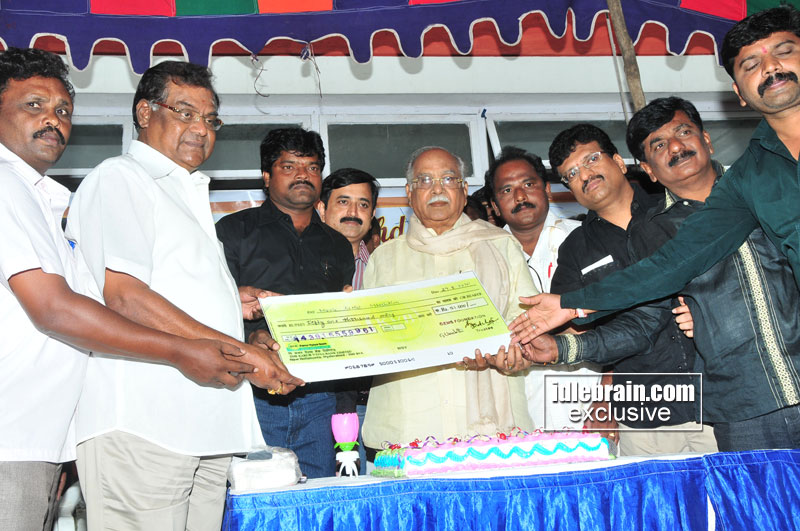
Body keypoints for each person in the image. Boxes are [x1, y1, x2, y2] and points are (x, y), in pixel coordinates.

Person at [0, 49, 260, 531]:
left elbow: (99, 292)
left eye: (63, 110)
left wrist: (231, 303)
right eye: (34, 105)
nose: (53, 119)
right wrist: (228, 351)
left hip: (48, 430)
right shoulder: (115, 178)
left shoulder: (44, 196)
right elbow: (101, 300)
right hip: (122, 420)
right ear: (145, 112)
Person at [66, 61, 301, 530]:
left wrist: (234, 312)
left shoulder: (185, 191)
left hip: (207, 425)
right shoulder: (122, 177)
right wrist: (243, 355)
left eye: (210, 119)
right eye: (185, 112)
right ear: (145, 113)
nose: (201, 128)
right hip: (145, 423)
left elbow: (171, 287)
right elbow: (126, 297)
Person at [511, 6, 800, 348]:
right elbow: (671, 266)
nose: (770, 67)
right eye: (751, 65)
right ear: (739, 92)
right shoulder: (748, 180)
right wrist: (569, 306)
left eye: (784, 51)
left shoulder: (738, 180)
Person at [522, 97, 800, 451]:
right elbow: (644, 319)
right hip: (738, 407)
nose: (675, 147)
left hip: (737, 397)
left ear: (707, 140)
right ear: (649, 169)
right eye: (658, 145)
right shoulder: (651, 231)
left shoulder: (763, 186)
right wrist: (563, 341)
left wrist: (709, 313)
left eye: (683, 132)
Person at [361, 146, 535, 448]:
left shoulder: (501, 246)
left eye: (448, 179)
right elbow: (370, 340)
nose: (438, 189)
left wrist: (511, 353)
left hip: (494, 430)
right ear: (409, 193)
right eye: (425, 180)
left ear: (464, 190)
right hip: (408, 427)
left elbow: (528, 322)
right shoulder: (385, 258)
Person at [547, 126, 707, 454]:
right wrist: (528, 344)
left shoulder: (676, 210)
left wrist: (706, 309)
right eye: (571, 174)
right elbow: (572, 325)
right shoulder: (575, 249)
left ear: (619, 162)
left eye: (591, 159)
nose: (584, 175)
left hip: (718, 401)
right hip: (643, 415)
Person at [216, 128, 355, 478]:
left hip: (319, 397)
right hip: (251, 395)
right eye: (289, 166)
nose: (303, 175)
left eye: (312, 167)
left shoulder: (338, 245)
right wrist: (251, 337)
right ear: (267, 176)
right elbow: (208, 310)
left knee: (317, 499)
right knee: (256, 497)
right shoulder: (232, 232)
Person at [485, 146, 605, 433]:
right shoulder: (483, 255)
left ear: (547, 190)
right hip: (515, 413)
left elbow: (624, 326)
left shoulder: (589, 239)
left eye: (528, 184)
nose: (520, 196)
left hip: (589, 403)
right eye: (507, 190)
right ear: (495, 206)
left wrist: (608, 401)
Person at [318, 167, 381, 473]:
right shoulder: (298, 266)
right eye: (343, 202)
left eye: (363, 204)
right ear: (321, 208)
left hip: (377, 405)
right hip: (316, 406)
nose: (353, 212)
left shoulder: (388, 268)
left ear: (372, 214)